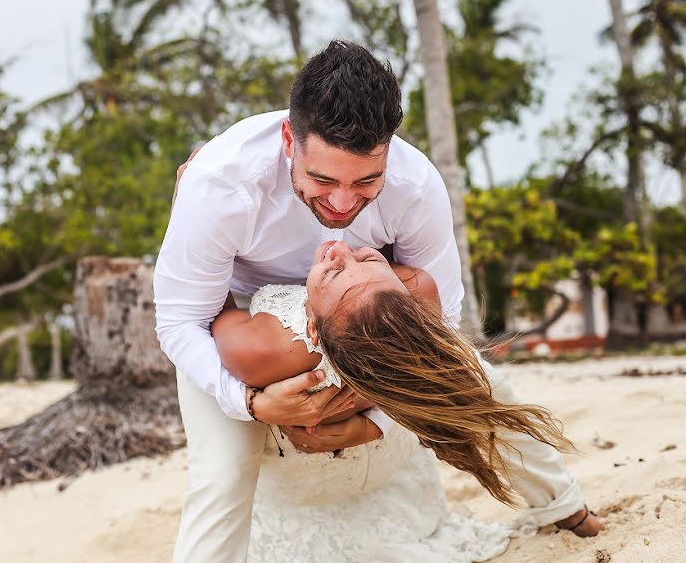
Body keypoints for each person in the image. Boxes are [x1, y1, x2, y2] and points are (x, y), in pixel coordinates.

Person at [153, 40, 600, 563]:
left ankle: (564, 507)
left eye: (366, 181)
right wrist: (249, 402)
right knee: (222, 473)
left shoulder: (415, 186)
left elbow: (442, 328)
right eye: (322, 180)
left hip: (375, 305)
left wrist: (379, 417)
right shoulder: (220, 184)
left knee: (480, 382)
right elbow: (183, 321)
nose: (342, 205)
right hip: (254, 317)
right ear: (288, 138)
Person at [207, 240, 598, 560]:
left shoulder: (260, 349)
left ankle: (562, 502)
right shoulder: (415, 288)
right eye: (348, 265)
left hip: (363, 452)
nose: (342, 250)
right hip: (328, 461)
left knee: (474, 378)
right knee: (477, 380)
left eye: (359, 260)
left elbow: (210, 300)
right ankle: (566, 506)